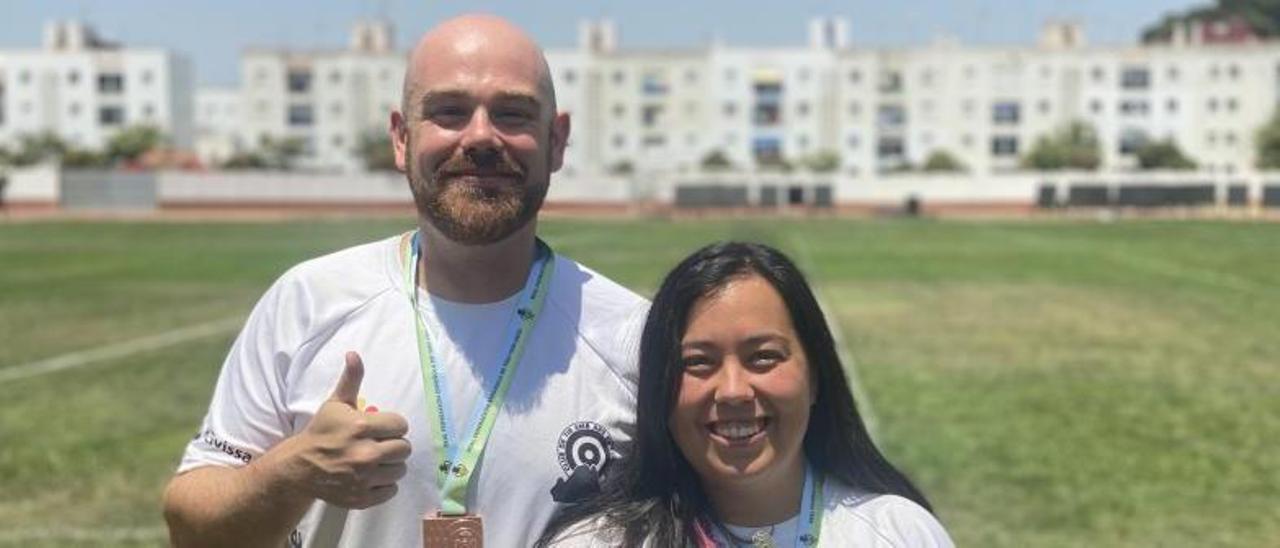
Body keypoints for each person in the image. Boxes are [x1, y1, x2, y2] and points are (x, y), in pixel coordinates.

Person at [162, 14, 648, 547]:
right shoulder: (307, 302)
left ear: (557, 141)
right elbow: (192, 528)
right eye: (449, 112)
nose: (481, 136)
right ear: (401, 138)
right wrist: (293, 470)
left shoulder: (630, 336)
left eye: (512, 113)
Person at [540, 242, 953, 547]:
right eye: (698, 362)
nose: (734, 391)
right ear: (659, 388)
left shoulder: (899, 533)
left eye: (763, 357)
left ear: (815, 378)